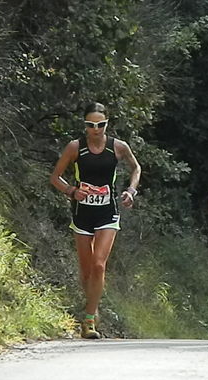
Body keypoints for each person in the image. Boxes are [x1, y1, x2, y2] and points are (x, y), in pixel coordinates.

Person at [50, 102, 141, 339]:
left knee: (100, 264)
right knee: (87, 270)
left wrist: (131, 191)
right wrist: (72, 191)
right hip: (82, 213)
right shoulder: (75, 148)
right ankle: (93, 305)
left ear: (107, 124)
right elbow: (55, 177)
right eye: (90, 125)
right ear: (85, 125)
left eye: (100, 124)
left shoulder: (118, 147)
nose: (96, 129)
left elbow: (136, 168)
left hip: (107, 213)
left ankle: (88, 321)